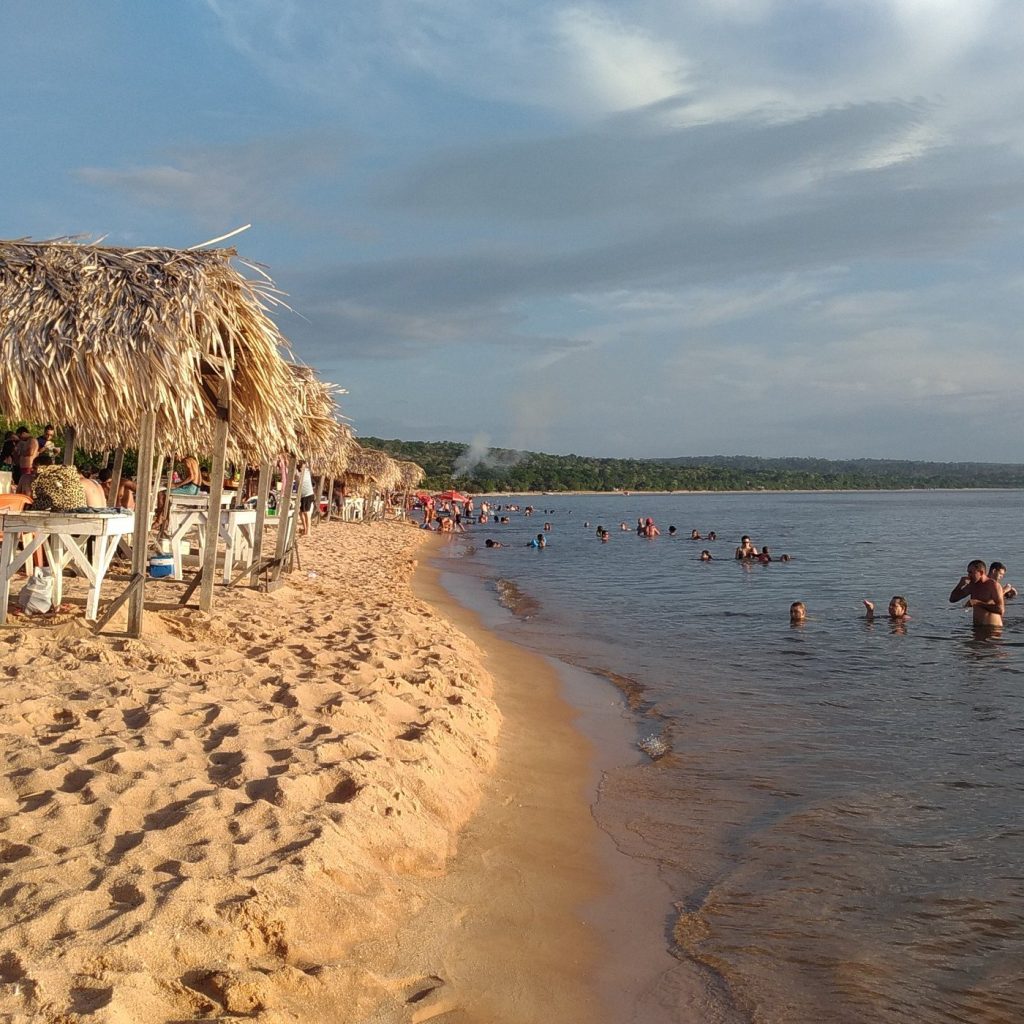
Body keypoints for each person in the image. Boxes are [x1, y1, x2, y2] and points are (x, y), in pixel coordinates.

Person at [949, 560, 1004, 628]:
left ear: (981, 572)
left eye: (971, 572)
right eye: (968, 572)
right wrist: (960, 585)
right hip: (977, 628)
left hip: (993, 629)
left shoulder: (993, 585)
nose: (969, 575)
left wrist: (978, 603)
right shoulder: (972, 585)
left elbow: (1000, 610)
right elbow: (953, 599)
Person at [297, 460, 315, 536]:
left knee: (306, 513)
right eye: (302, 466)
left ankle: (308, 532)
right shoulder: (297, 474)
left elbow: (312, 464)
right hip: (302, 495)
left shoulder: (307, 471)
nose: (304, 467)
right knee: (301, 513)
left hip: (308, 494)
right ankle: (305, 529)